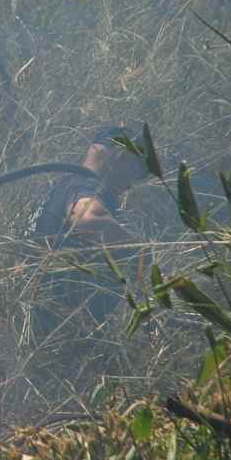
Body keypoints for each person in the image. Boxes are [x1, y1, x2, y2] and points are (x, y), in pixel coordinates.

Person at [23, 123, 149, 338]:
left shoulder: (63, 186)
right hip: (60, 331)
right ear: (121, 157)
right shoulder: (84, 186)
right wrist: (143, 251)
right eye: (136, 171)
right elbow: (89, 219)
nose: (130, 184)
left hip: (45, 325)